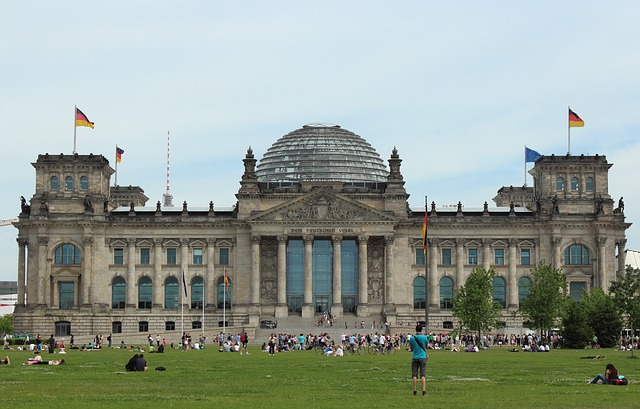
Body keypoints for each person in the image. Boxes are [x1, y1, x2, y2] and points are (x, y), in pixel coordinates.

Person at [409, 324, 428, 396]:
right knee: (423, 375)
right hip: (422, 357)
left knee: (414, 375)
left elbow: (411, 348)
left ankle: (414, 391)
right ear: (421, 330)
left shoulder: (412, 338)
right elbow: (426, 346)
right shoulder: (424, 337)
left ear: (416, 330)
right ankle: (423, 391)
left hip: (415, 357)